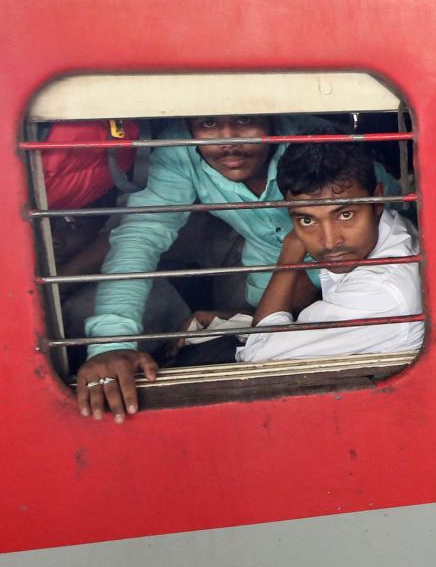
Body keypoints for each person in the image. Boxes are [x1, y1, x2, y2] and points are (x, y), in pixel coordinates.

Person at [73, 114, 397, 420]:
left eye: (244, 119)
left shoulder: (319, 149)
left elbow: (393, 219)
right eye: (209, 122)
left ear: (270, 112)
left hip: (358, 288)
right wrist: (112, 344)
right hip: (269, 288)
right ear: (187, 123)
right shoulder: (178, 152)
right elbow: (140, 236)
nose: (229, 140)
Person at [235, 142, 422, 362]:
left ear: (378, 199)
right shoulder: (391, 228)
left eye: (345, 215)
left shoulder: (380, 294)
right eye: (307, 220)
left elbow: (257, 356)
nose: (330, 241)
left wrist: (290, 252)